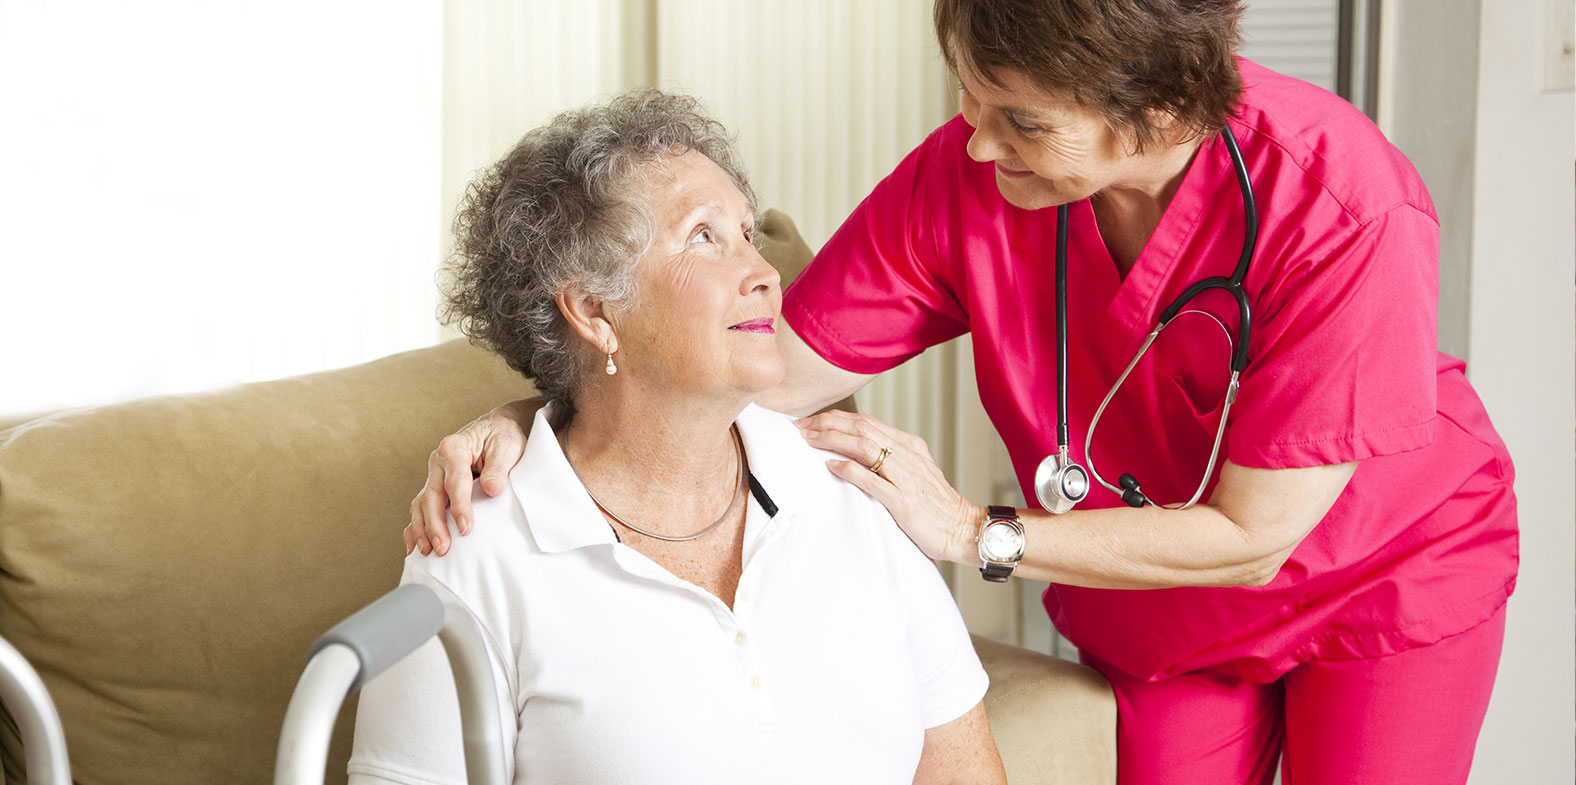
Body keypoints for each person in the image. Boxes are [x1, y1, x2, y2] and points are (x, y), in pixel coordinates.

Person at [403, 2, 1518, 783]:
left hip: (1380, 580)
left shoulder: (1342, 204)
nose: (981, 143)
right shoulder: (971, 177)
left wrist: (972, 532)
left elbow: (1253, 534)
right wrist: (536, 416)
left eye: (1023, 119)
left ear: (1156, 109)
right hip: (1166, 607)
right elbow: (764, 365)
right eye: (975, 102)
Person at [350, 89, 1005, 785]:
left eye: (749, 234)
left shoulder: (852, 487)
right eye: (704, 236)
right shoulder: (474, 550)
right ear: (595, 309)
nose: (765, 272)